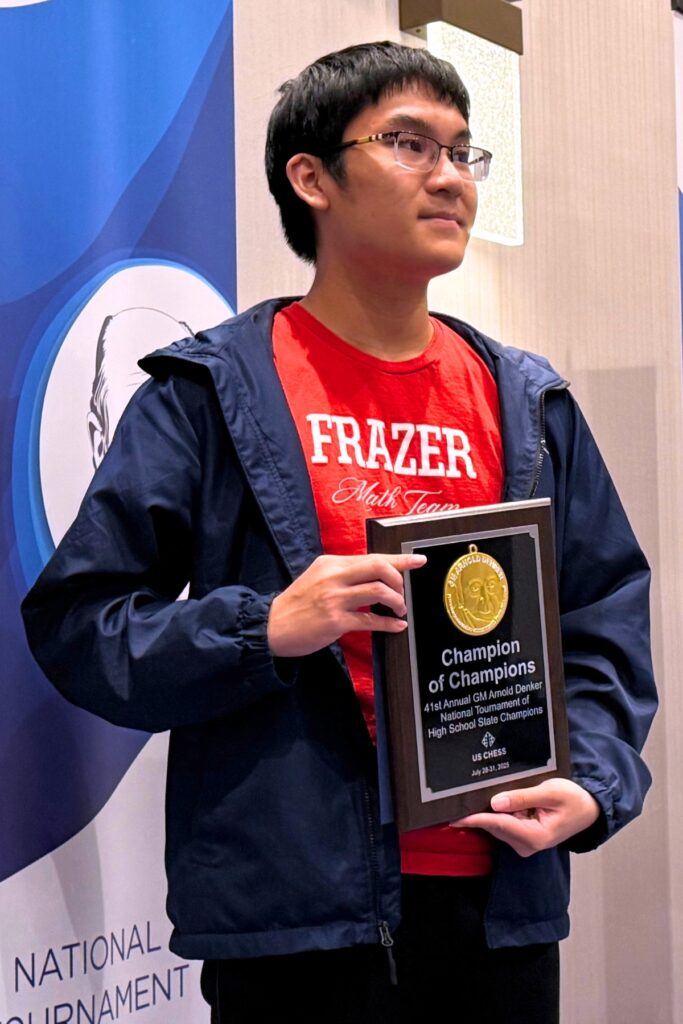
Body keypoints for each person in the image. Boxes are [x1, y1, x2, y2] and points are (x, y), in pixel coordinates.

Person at [21, 41, 657, 1023]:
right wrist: (263, 626)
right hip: (296, 919)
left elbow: (603, 622)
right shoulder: (210, 392)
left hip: (499, 906)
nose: (449, 176)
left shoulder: (525, 399)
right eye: (408, 144)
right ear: (310, 176)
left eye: (462, 152)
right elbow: (81, 624)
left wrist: (592, 781)